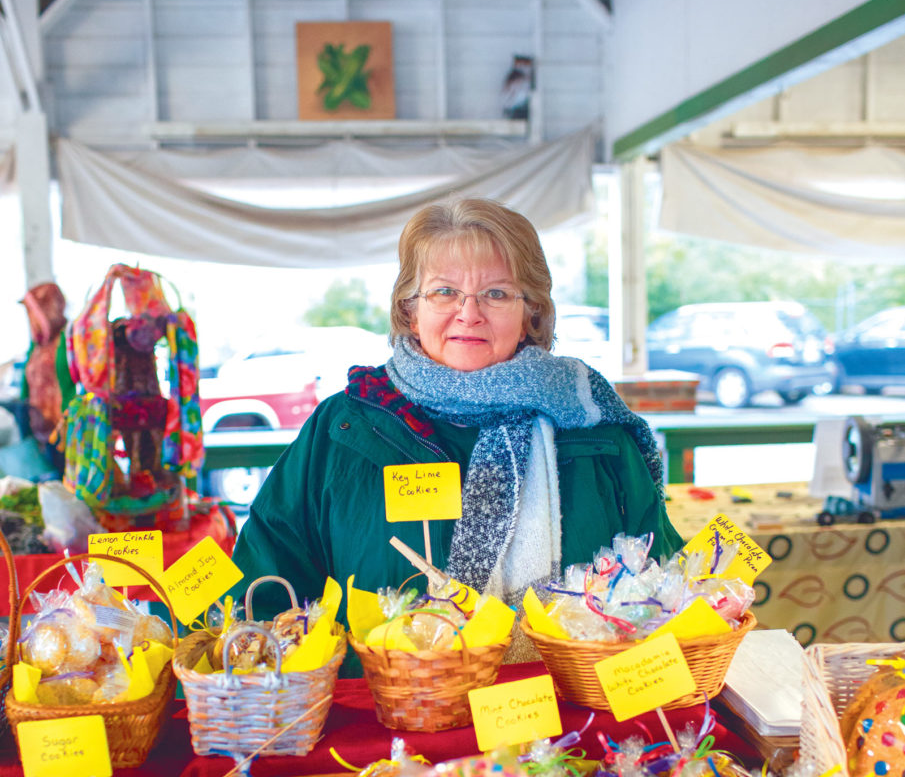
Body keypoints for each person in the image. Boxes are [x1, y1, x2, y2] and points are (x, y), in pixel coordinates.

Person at [232, 198, 683, 639]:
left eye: (496, 293)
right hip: (390, 707)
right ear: (410, 310)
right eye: (445, 291)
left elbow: (663, 593)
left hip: (570, 709)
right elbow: (265, 586)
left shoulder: (593, 426)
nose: (469, 313)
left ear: (532, 314)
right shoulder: (343, 427)